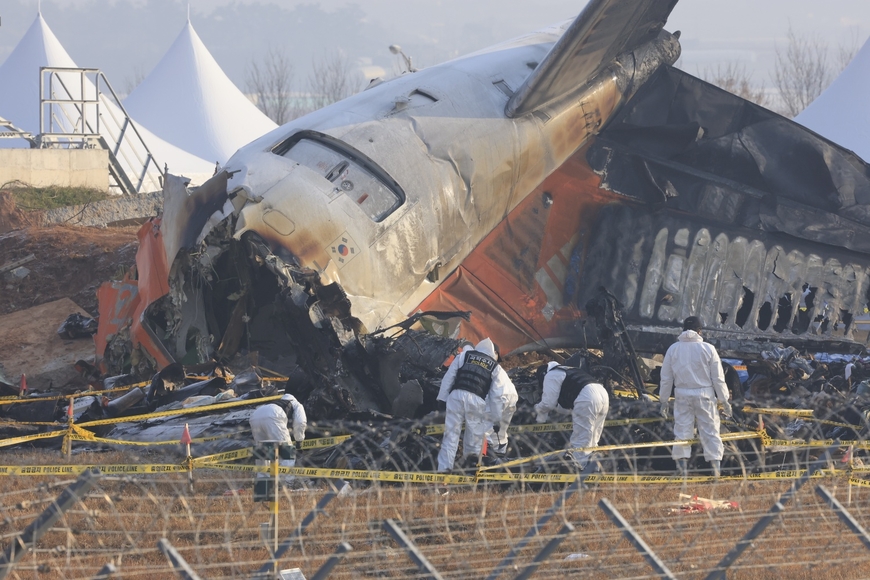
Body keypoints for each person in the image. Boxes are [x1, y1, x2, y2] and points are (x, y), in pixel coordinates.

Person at [659, 316, 732, 477]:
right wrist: (724, 400)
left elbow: (666, 379)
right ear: (700, 331)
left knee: (682, 431)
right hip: (704, 394)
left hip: (682, 394)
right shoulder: (708, 349)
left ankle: (682, 471)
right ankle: (715, 471)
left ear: (683, 330)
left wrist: (663, 401)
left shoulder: (673, 349)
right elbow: (718, 378)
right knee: (711, 431)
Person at [436, 338, 515, 472]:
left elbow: (449, 377)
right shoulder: (496, 367)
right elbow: (496, 397)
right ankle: (470, 472)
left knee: (450, 437)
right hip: (476, 401)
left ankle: (444, 473)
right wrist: (496, 420)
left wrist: (442, 399)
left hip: (455, 397)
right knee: (473, 440)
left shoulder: (464, 356)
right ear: (492, 353)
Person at [534, 360, 609, 469]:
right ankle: (593, 466)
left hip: (587, 397)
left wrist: (536, 409)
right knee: (593, 438)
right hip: (602, 393)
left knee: (581, 440)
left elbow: (548, 404)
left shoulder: (550, 375)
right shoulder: (567, 369)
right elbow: (567, 408)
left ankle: (579, 470)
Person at [250, 393, 307, 483]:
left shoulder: (276, 402)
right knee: (287, 450)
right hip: (274, 416)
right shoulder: (296, 404)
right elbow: (301, 422)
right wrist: (299, 440)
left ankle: (262, 480)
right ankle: (286, 481)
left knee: (263, 449)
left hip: (255, 416)